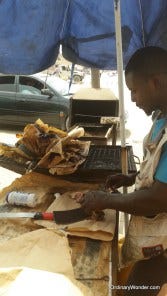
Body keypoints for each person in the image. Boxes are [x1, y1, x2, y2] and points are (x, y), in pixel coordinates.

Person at [75, 46, 167, 295]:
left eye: (135, 91)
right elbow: (158, 169)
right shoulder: (161, 119)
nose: (134, 99)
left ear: (155, 83)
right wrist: (130, 178)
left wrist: (107, 200)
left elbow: (158, 199)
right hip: (157, 236)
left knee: (134, 291)